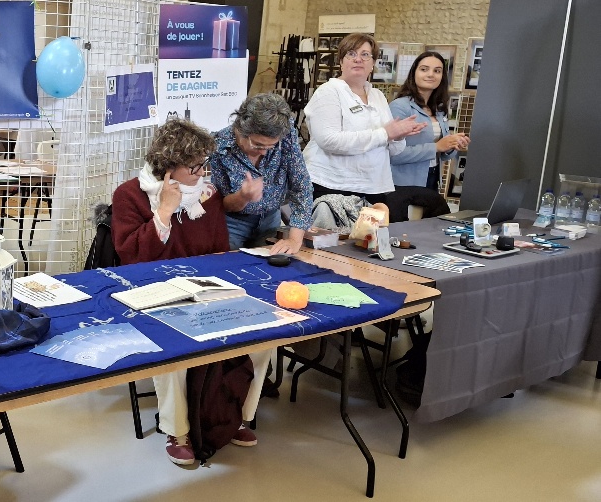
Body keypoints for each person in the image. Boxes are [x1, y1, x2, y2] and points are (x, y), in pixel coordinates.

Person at [112, 118, 273, 466]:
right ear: (168, 167)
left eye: (204, 164)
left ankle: (236, 415)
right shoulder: (129, 195)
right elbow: (133, 258)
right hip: (152, 292)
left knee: (264, 338)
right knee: (170, 348)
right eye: (194, 166)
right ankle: (177, 430)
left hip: (202, 291)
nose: (202, 173)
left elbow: (218, 252)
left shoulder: (206, 196)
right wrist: (164, 211)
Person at [302, 33, 425, 205]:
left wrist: (398, 136)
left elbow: (393, 150)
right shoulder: (328, 91)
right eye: (351, 54)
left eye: (365, 54)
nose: (358, 59)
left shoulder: (377, 96)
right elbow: (329, 140)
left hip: (373, 187)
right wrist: (385, 134)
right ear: (341, 62)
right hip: (331, 185)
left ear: (373, 63)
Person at [210, 92, 313, 253]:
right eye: (258, 145)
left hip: (271, 219)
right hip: (233, 224)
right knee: (228, 263)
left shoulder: (285, 135)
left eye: (271, 147)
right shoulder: (220, 146)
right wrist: (243, 197)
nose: (264, 152)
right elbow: (222, 204)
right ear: (241, 130)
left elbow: (302, 187)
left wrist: (294, 240)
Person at [388, 51, 470, 189]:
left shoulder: (439, 108)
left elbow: (442, 156)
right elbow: (393, 155)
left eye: (437, 71)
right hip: (404, 184)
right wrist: (436, 147)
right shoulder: (400, 106)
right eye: (424, 69)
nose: (431, 74)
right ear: (414, 73)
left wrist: (452, 144)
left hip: (433, 178)